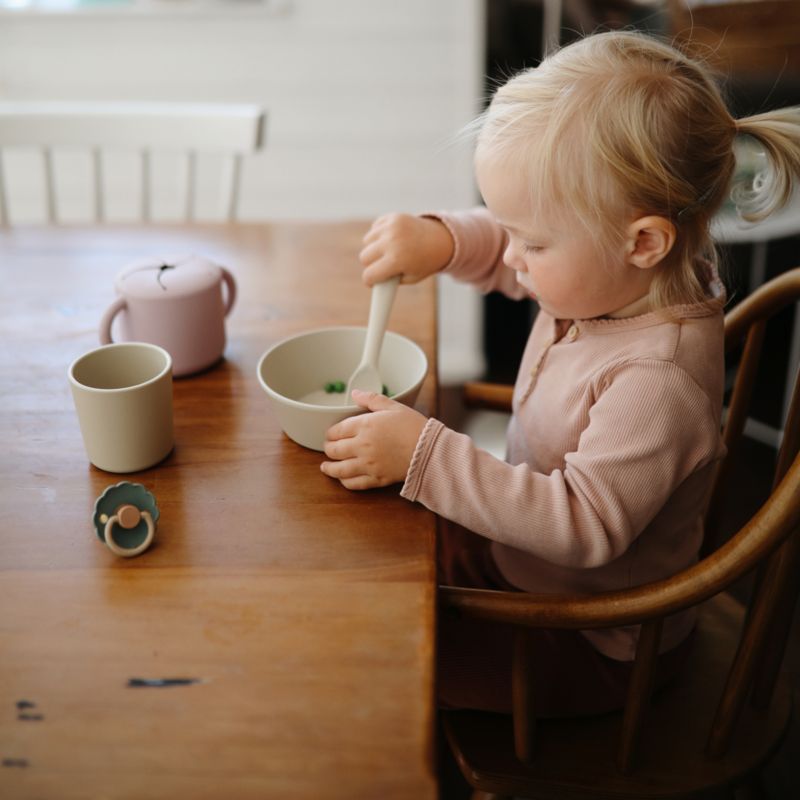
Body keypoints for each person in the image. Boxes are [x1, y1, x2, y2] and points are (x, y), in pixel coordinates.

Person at [319, 30, 800, 716]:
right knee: (359, 559)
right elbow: (518, 245)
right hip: (520, 561)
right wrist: (448, 239)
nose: (512, 255)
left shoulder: (655, 380)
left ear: (642, 242)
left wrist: (426, 453)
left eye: (533, 242)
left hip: (589, 637)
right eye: (511, 230)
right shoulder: (617, 279)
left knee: (375, 661)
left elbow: (582, 527)